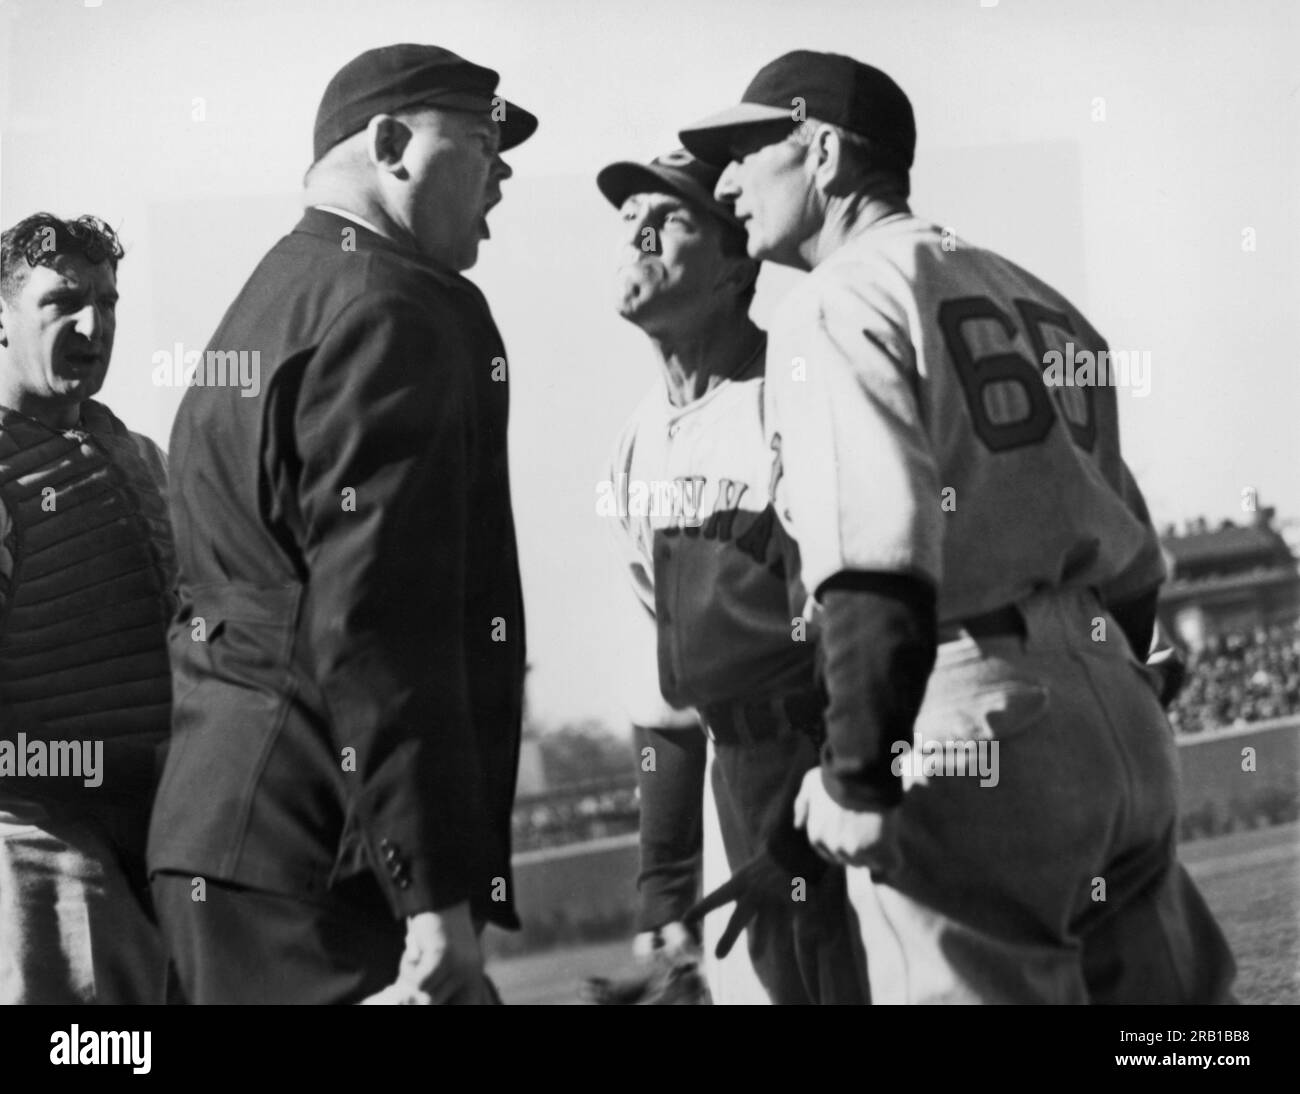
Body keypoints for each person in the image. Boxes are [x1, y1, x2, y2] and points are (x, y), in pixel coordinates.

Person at [680, 50, 1236, 1003]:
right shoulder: (1039, 295)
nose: (724, 180)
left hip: (971, 712)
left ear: (822, 152)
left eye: (745, 148)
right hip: (1116, 707)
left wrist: (857, 772)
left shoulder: (838, 297)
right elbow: (1133, 554)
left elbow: (875, 554)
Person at [147, 44, 536, 1005]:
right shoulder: (395, 308)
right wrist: (435, 891)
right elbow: (375, 621)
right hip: (324, 859)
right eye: (484, 144)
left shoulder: (269, 303)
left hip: (225, 840)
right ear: (393, 144)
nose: (505, 173)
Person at [597, 149, 866, 1004]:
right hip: (734, 778)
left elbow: (868, 610)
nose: (635, 228)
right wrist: (663, 893)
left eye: (669, 215)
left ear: (734, 265)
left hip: (830, 763)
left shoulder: (790, 388)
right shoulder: (635, 441)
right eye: (628, 213)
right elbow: (663, 694)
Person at [0, 212, 172, 1003]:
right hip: (43, 848)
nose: (92, 324)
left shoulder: (138, 457)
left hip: (163, 836)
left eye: (107, 301)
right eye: (63, 301)